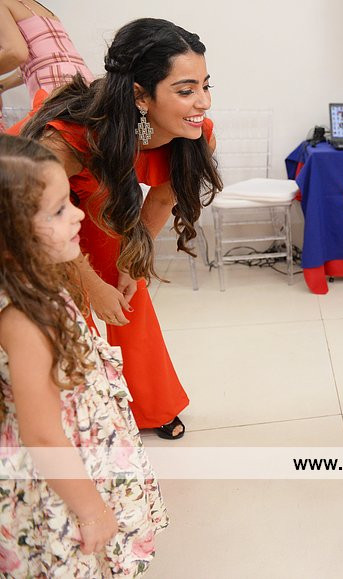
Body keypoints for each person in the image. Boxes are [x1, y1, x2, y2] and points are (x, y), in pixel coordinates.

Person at [16, 18, 223, 438]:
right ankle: (87, 411)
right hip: (32, 206)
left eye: (206, 86)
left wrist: (131, 262)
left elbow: (161, 198)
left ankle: (152, 406)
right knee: (69, 302)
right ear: (140, 96)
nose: (203, 102)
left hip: (101, 193)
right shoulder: (66, 141)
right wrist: (92, 287)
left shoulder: (194, 133)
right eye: (186, 91)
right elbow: (39, 221)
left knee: (131, 290)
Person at [0, 134, 167, 576]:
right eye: (58, 210)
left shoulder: (36, 284)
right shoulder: (27, 320)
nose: (78, 214)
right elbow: (42, 435)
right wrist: (91, 510)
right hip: (64, 471)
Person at [0, 0, 93, 98]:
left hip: (57, 87)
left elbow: (15, 53)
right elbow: (39, 63)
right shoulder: (38, 8)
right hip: (85, 82)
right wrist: (2, 86)